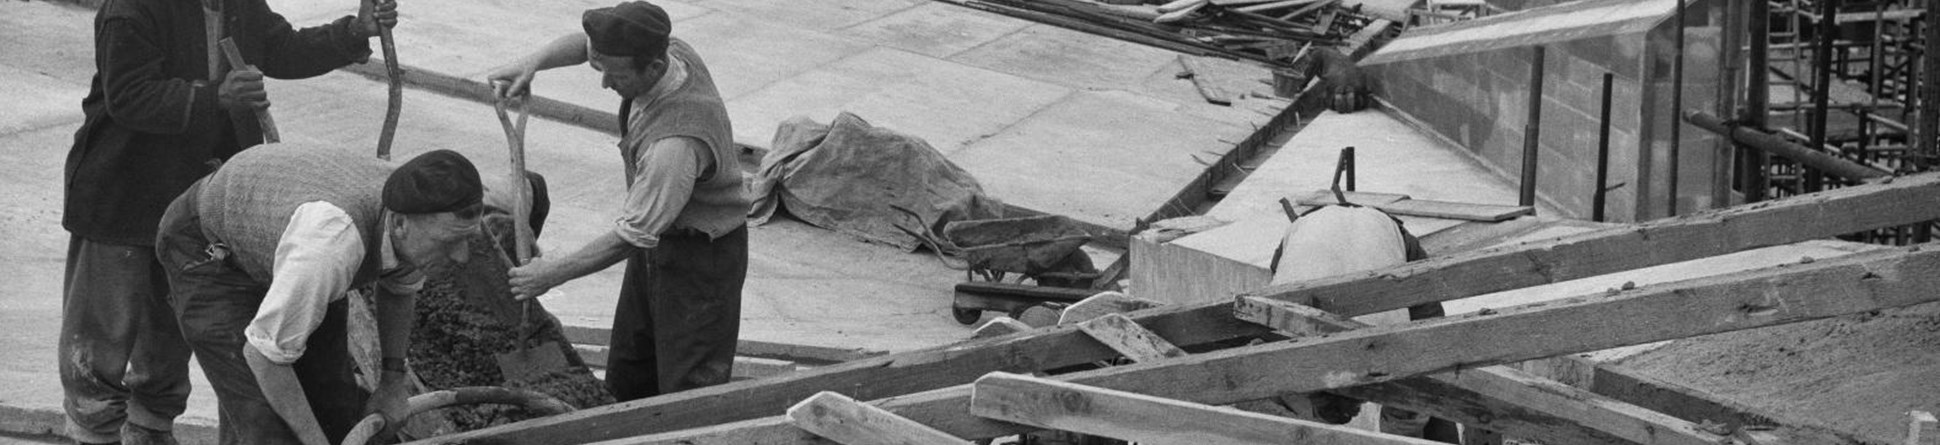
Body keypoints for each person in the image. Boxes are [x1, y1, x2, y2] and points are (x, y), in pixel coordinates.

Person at [60, 0, 396, 442]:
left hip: (200, 205)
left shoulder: (238, 4)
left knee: (169, 337)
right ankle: (93, 435)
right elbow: (128, 96)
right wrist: (214, 95)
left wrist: (352, 33)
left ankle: (150, 429)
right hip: (124, 194)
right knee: (102, 337)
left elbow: (281, 47)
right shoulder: (132, 8)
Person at [489, 1, 749, 401]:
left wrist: (553, 273)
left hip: (702, 263)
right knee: (630, 367)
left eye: (617, 74)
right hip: (657, 245)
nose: (605, 84)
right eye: (601, 69)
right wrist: (532, 63)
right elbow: (587, 47)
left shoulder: (675, 145)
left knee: (686, 388)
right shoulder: (665, 48)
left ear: (655, 68)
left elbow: (632, 234)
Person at [155, 144, 482, 445]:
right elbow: (265, 356)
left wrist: (392, 384)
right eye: (449, 243)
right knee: (264, 421)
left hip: (285, 243)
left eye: (466, 240)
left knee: (335, 408)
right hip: (212, 251)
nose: (462, 256)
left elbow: (399, 288)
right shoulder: (330, 247)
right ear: (399, 225)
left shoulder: (417, 210)